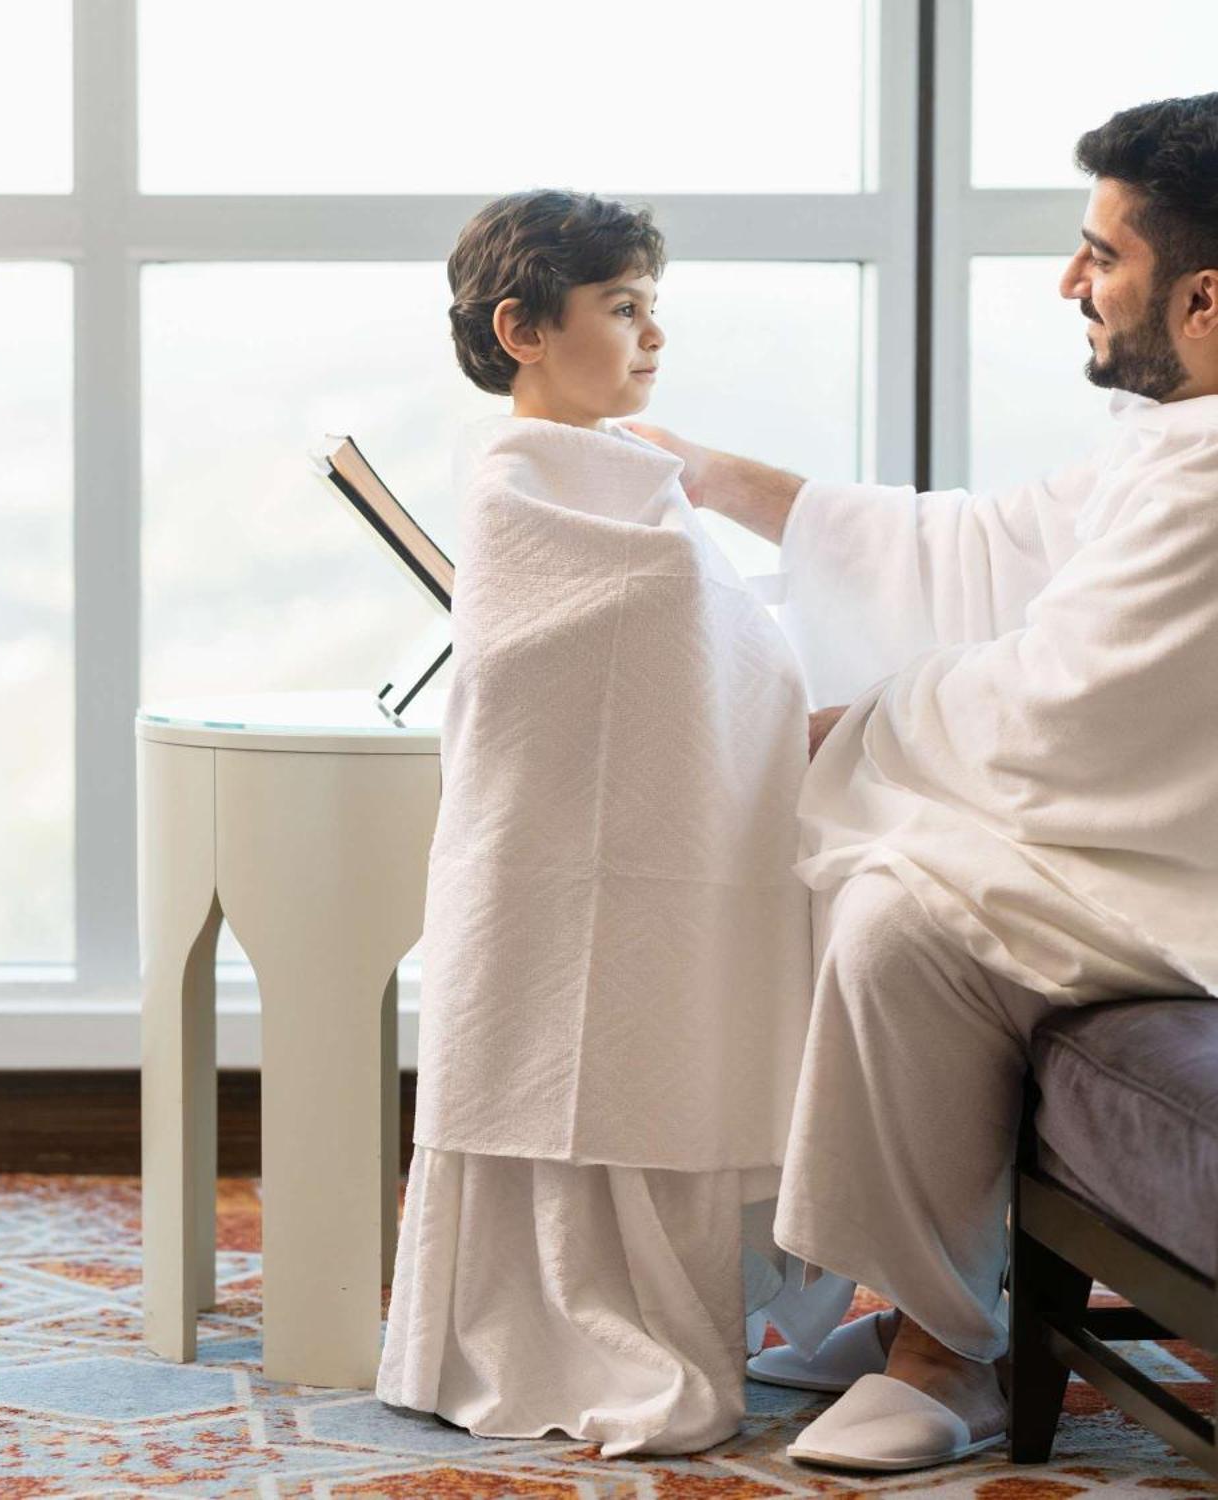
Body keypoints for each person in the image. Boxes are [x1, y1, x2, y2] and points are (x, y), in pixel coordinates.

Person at [626, 92, 1218, 1473]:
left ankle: (943, 1350)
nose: (1071, 282)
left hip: (1185, 864)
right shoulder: (1180, 436)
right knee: (885, 890)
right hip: (1140, 836)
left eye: (1102, 256)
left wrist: (863, 725)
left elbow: (1072, 708)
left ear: (1206, 298)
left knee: (900, 911)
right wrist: (714, 479)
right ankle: (925, 1307)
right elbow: (996, 547)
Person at [376, 188, 854, 1456]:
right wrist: (748, 654)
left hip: (652, 846)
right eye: (622, 308)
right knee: (579, 1063)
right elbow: (617, 635)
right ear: (520, 328)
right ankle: (558, 1326)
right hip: (547, 847)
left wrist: (752, 660)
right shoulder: (517, 484)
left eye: (654, 309)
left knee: (657, 1045)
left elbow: (702, 634)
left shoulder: (637, 476)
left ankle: (701, 1306)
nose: (651, 338)